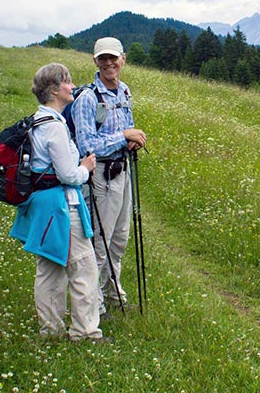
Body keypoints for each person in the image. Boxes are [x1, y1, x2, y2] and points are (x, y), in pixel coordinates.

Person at [10, 63, 111, 342]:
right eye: (67, 82)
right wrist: (86, 168)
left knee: (50, 268)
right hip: (62, 206)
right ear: (54, 90)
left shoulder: (38, 121)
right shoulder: (54, 126)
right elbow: (68, 175)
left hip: (42, 208)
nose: (71, 86)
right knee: (83, 267)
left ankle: (51, 331)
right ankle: (86, 332)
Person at [72, 37, 147, 317]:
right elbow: (86, 146)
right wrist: (123, 136)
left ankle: (112, 290)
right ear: (95, 61)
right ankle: (94, 302)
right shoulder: (87, 99)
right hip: (100, 176)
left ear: (123, 59)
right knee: (100, 243)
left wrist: (131, 140)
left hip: (122, 170)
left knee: (119, 239)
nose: (108, 63)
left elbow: (125, 128)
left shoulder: (124, 92)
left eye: (113, 57)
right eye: (102, 58)